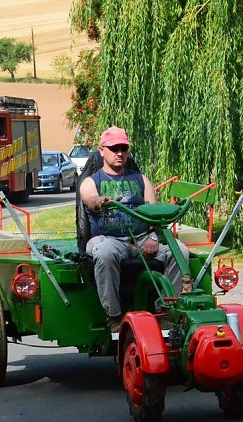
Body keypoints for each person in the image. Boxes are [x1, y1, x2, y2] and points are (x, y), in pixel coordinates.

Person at [79, 126, 189, 332]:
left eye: (123, 148)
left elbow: (154, 214)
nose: (119, 153)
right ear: (102, 150)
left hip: (140, 238)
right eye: (114, 148)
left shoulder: (141, 179)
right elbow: (89, 199)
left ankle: (166, 310)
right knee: (104, 253)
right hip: (107, 238)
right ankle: (113, 316)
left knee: (179, 251)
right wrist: (100, 200)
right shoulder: (91, 181)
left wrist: (153, 238)